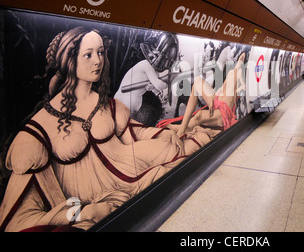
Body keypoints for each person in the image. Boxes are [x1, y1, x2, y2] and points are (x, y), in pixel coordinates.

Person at [0, 27, 219, 232]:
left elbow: (132, 133)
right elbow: (19, 218)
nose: (98, 61)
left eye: (101, 52)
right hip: (93, 198)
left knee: (184, 146)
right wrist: (78, 212)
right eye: (88, 55)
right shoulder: (37, 132)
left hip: (128, 167)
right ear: (69, 60)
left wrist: (159, 133)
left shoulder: (107, 104)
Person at [157, 53, 246, 137]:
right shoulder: (232, 71)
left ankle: (181, 130)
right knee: (197, 81)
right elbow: (223, 87)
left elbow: (243, 87)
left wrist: (236, 92)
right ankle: (181, 128)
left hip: (224, 111)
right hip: (218, 99)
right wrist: (214, 95)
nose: (234, 57)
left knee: (199, 115)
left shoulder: (238, 71)